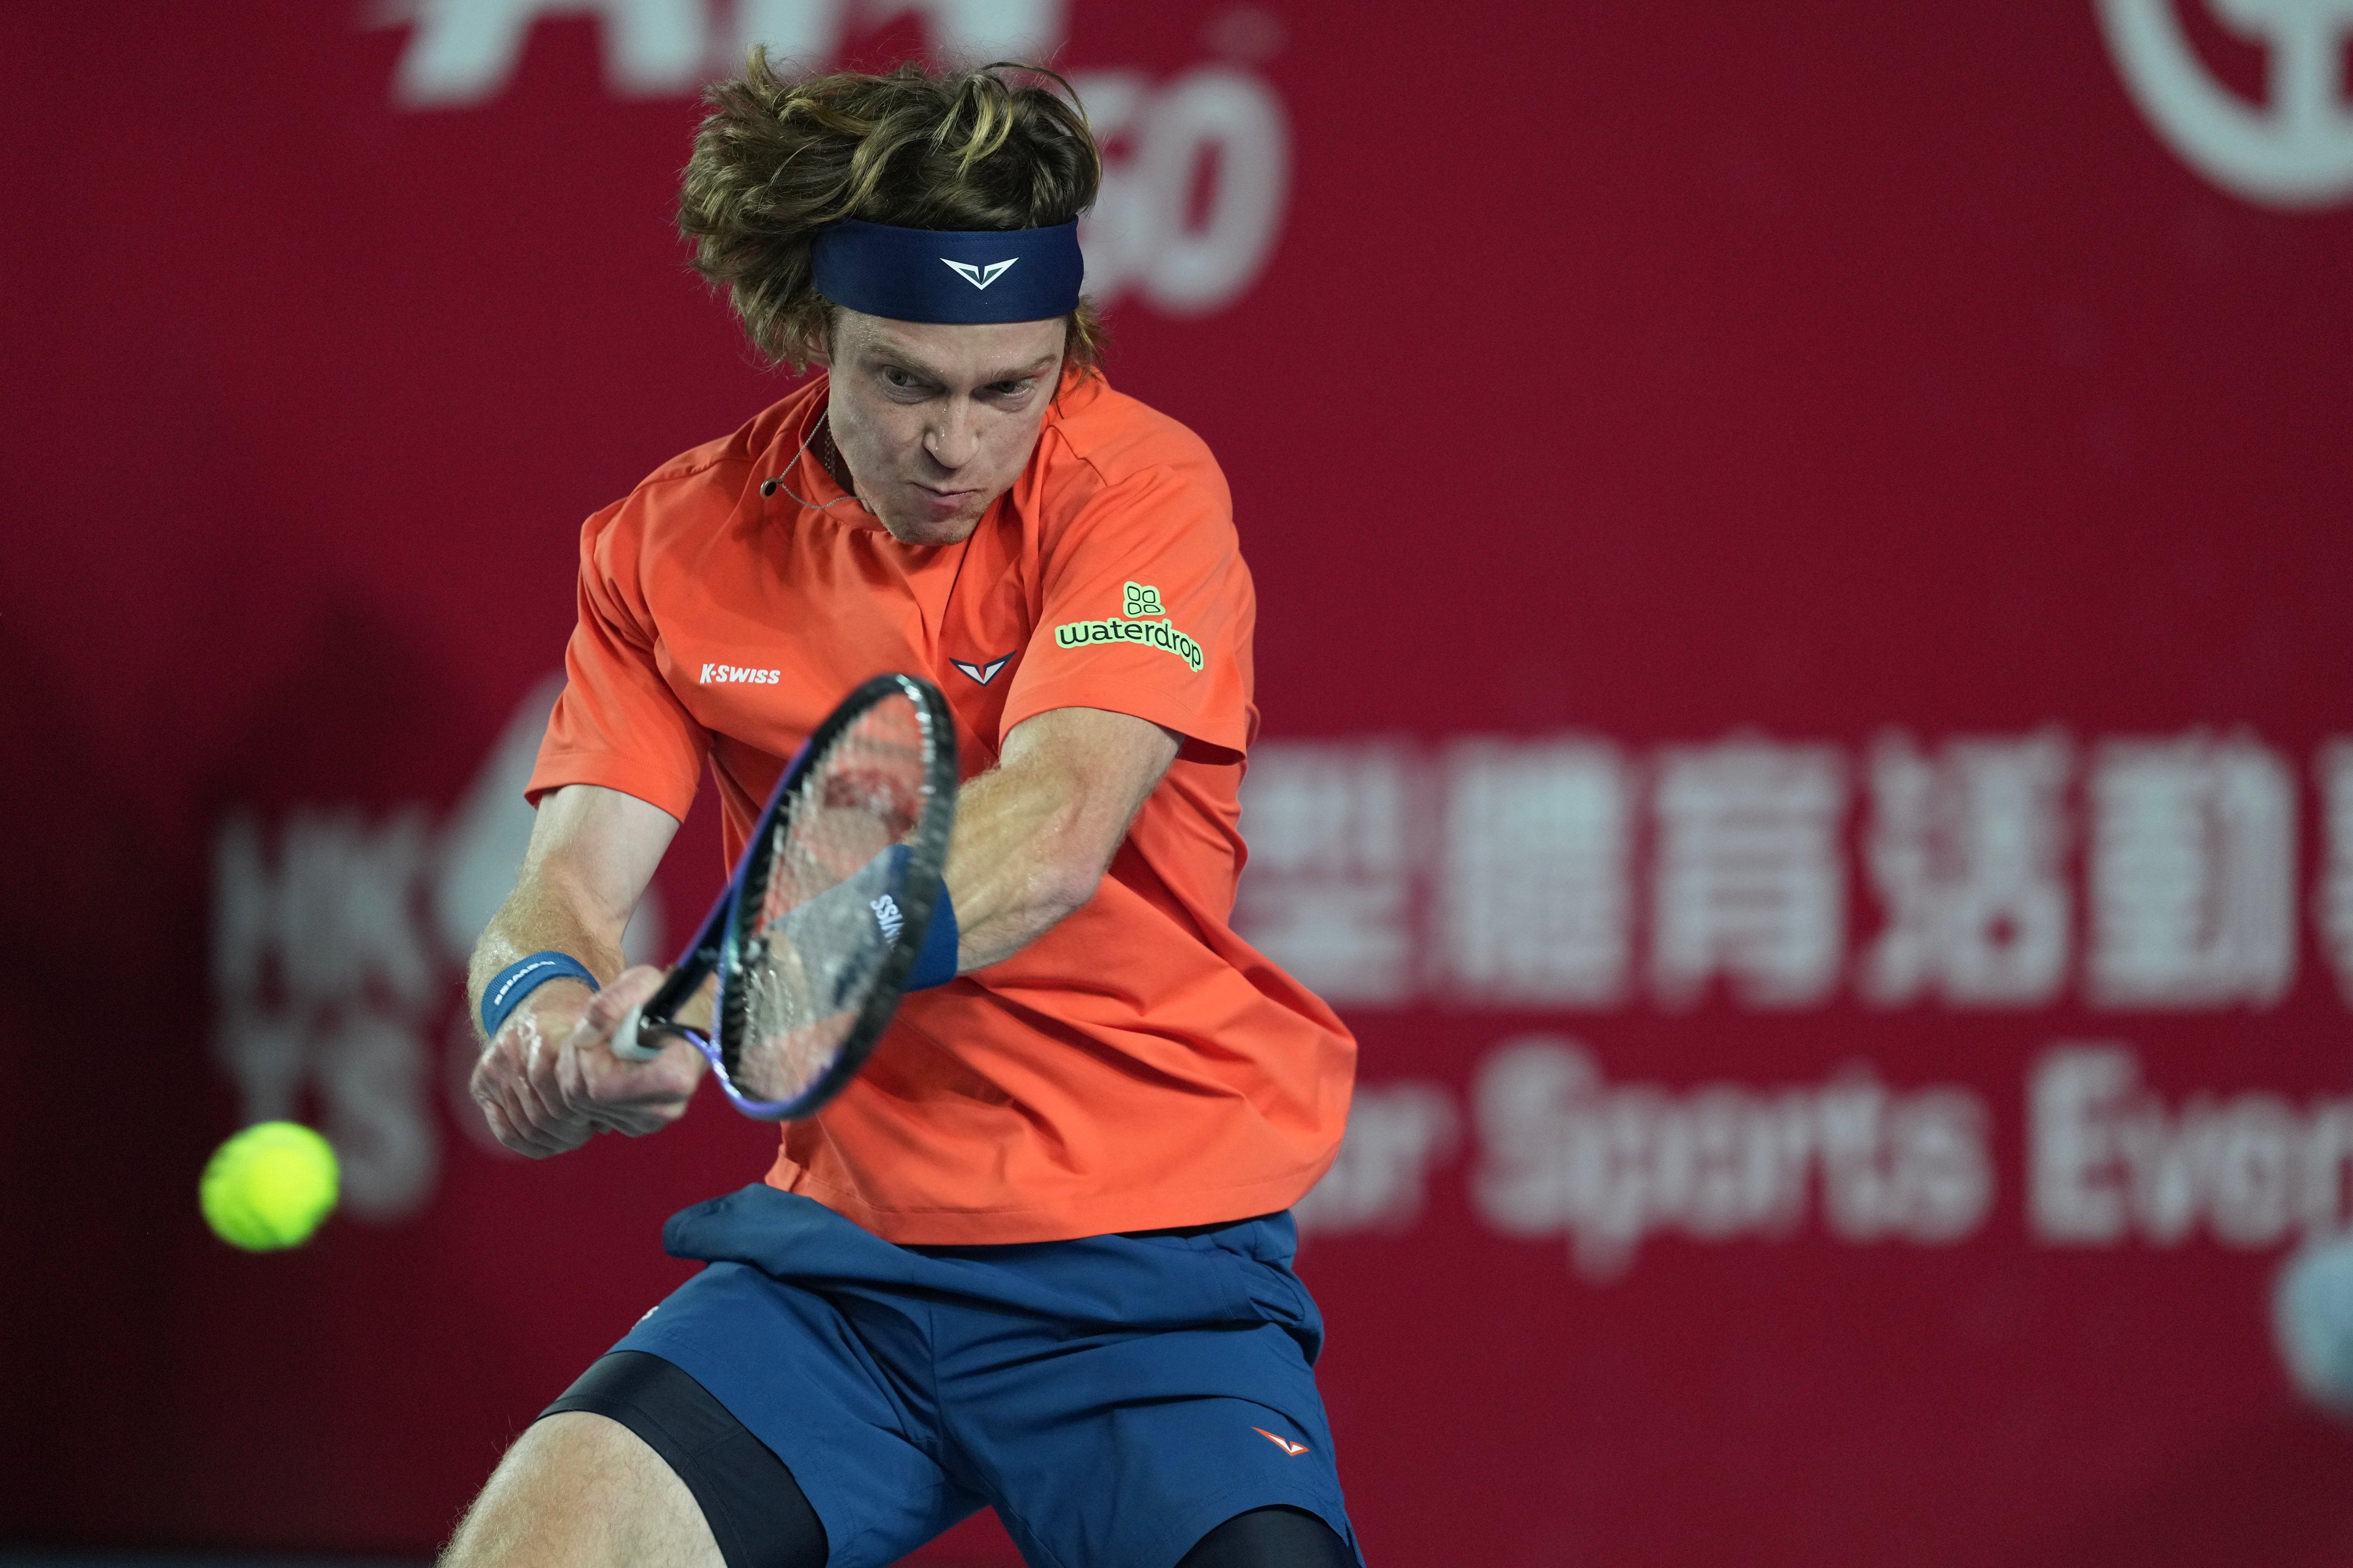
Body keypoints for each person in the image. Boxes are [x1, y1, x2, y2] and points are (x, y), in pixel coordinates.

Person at [442, 54, 1362, 1568]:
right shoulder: (668, 543)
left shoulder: (1140, 486)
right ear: (817, 333)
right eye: (904, 382)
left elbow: (1058, 822)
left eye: (1011, 386)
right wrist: (540, 1011)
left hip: (1146, 1274)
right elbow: (565, 884)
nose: (958, 444)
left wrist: (776, 974)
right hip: (842, 1273)